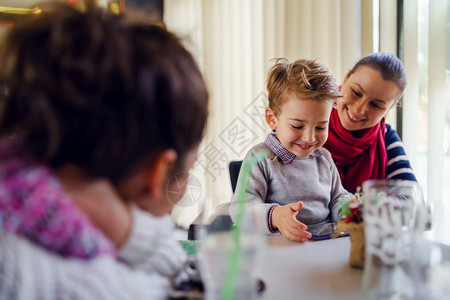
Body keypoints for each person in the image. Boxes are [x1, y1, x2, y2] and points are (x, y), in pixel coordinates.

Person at [0, 0, 208, 296]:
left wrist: (125, 228)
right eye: (193, 164)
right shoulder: (91, 287)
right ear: (158, 172)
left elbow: (172, 263)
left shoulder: (21, 181)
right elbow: (170, 280)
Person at [231, 58, 349, 242]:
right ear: (272, 118)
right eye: (297, 126)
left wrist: (347, 210)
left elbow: (337, 197)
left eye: (320, 127)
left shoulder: (324, 158)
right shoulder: (260, 159)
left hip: (322, 245)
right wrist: (275, 216)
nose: (310, 138)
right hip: (278, 247)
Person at [323, 52, 417, 193]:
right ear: (346, 77)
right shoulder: (306, 123)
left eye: (376, 105)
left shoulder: (386, 138)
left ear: (389, 109)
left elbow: (409, 196)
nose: (359, 109)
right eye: (356, 92)